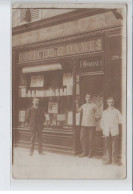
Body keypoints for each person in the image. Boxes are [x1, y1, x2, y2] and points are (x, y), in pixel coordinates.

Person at [100, 97, 122, 165]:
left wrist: (115, 123)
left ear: (114, 103)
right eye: (109, 102)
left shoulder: (117, 111)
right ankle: (108, 160)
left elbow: (121, 120)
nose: (111, 104)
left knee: (115, 146)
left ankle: (114, 161)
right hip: (107, 131)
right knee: (108, 146)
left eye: (112, 102)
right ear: (107, 103)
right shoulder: (104, 112)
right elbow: (102, 122)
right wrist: (104, 128)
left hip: (114, 131)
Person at [76, 93, 98, 158]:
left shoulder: (94, 105)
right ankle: (84, 152)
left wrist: (95, 120)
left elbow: (99, 114)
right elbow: (77, 111)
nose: (88, 99)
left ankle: (90, 153)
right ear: (85, 98)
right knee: (82, 138)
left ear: (91, 98)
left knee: (91, 139)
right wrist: (76, 103)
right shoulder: (83, 106)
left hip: (91, 125)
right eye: (87, 97)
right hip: (84, 125)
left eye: (89, 97)